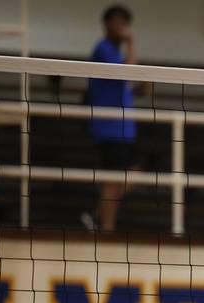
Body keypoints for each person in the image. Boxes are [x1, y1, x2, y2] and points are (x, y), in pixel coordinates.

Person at [85, 4, 138, 232]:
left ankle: (96, 216)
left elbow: (127, 83)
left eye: (125, 23)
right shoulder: (103, 49)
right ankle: (106, 227)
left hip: (124, 127)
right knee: (113, 179)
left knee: (128, 176)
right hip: (109, 127)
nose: (122, 27)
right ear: (107, 24)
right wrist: (132, 44)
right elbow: (128, 72)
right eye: (118, 22)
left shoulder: (116, 53)